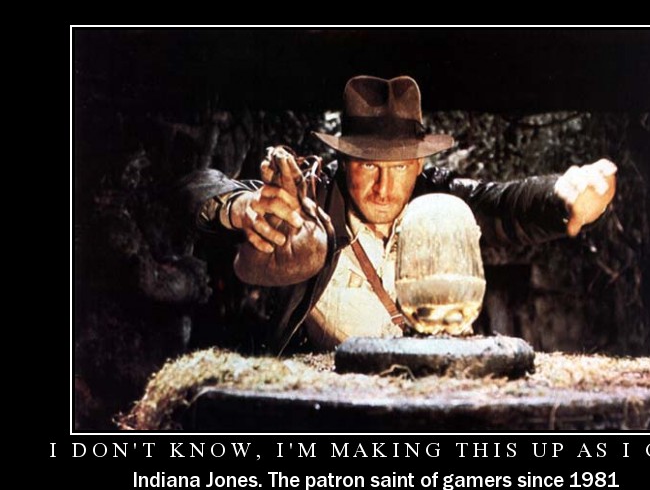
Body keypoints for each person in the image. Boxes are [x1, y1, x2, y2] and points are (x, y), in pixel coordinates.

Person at [179, 75, 616, 353]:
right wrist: (240, 209)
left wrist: (561, 197)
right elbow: (193, 186)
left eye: (400, 167)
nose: (385, 189)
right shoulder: (309, 199)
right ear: (344, 161)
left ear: (419, 165)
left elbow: (503, 205)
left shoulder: (438, 199)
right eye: (369, 166)